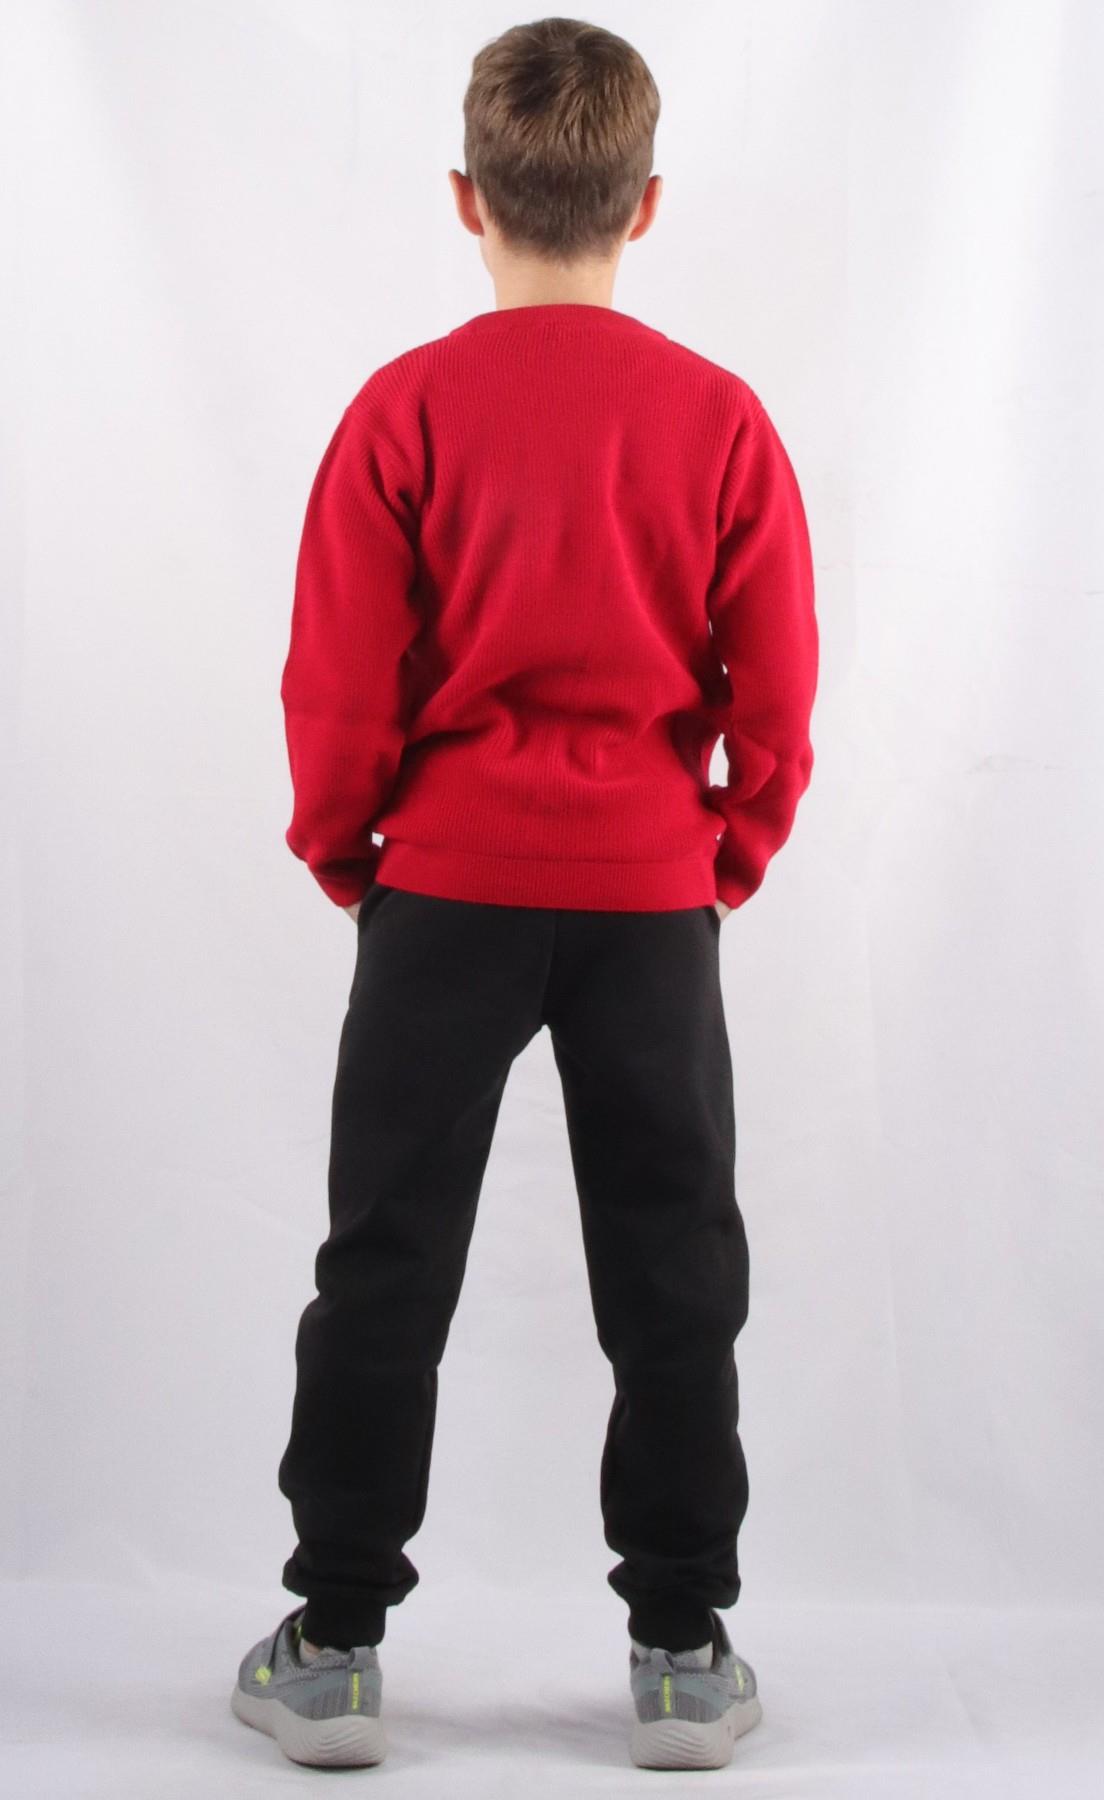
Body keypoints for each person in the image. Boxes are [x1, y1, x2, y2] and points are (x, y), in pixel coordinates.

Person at [230, 15, 818, 1773]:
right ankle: (684, 1650)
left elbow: (337, 680)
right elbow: (778, 692)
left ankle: (334, 1644)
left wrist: (353, 853)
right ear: (646, 204)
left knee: (385, 1258)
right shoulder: (720, 420)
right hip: (649, 901)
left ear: (465, 197)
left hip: (445, 894)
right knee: (674, 1264)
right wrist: (720, 853)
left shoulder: (405, 410)